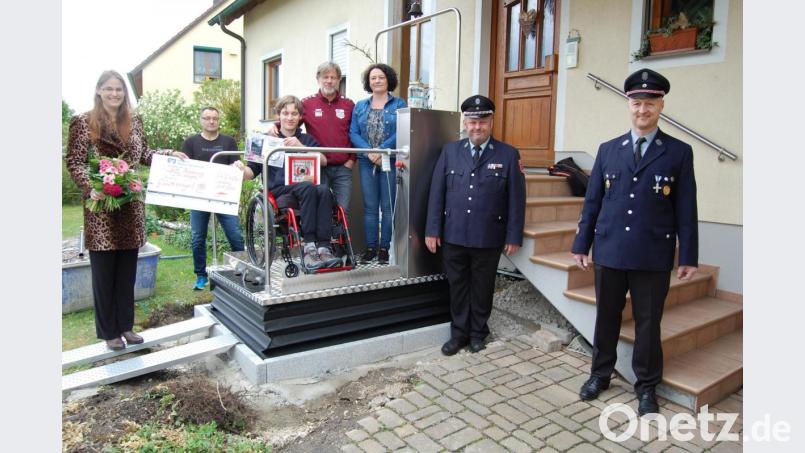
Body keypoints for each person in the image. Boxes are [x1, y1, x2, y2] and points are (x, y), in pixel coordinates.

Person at [571, 68, 698, 416]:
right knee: (607, 318)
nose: (643, 110)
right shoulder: (609, 150)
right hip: (610, 249)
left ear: (661, 105)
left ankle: (646, 388)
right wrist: (582, 244)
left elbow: (686, 208)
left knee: (647, 323)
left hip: (652, 254)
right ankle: (600, 375)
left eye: (650, 103)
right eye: (637, 103)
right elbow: (593, 201)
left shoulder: (678, 152)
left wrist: (688, 255)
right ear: (629, 104)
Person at [66, 70, 188, 351]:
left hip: (130, 204)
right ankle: (109, 331)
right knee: (104, 273)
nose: (114, 94)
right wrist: (91, 185)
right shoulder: (83, 122)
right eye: (108, 89)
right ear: (99, 91)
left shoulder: (135, 122)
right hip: (101, 208)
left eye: (119, 89)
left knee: (126, 273)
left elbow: (143, 154)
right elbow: (74, 161)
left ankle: (126, 326)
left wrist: (169, 155)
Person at [425, 95, 526, 355]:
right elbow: (437, 192)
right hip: (454, 234)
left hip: (488, 235)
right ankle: (458, 334)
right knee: (457, 286)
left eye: (482, 121)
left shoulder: (508, 154)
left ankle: (479, 332)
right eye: (471, 122)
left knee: (483, 287)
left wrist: (514, 235)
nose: (477, 127)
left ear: (491, 121)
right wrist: (432, 229)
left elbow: (516, 198)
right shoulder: (450, 151)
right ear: (465, 123)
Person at [243, 95, 341, 271]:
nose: (289, 117)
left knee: (325, 190)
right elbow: (251, 172)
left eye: (294, 113)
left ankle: (324, 247)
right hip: (279, 190)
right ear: (278, 116)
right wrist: (240, 170)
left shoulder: (307, 139)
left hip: (305, 187)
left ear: (300, 117)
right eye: (285, 113)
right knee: (309, 187)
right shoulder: (266, 139)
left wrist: (301, 147)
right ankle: (309, 246)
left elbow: (324, 161)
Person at [265, 62, 355, 212]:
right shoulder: (307, 103)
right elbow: (292, 119)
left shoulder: (348, 104)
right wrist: (276, 125)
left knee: (341, 211)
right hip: (316, 166)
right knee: (320, 208)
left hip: (342, 168)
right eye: (325, 77)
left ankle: (338, 236)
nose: (329, 81)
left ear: (339, 80)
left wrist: (352, 159)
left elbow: (355, 132)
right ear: (318, 79)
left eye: (333, 77)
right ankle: (322, 235)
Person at [181, 106, 248, 290]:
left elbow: (235, 167)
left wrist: (238, 165)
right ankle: (201, 276)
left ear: (219, 121)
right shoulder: (190, 143)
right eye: (207, 118)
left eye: (215, 118)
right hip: (199, 197)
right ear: (201, 120)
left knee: (234, 235)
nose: (211, 121)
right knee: (197, 237)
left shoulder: (228, 142)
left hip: (223, 196)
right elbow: (186, 170)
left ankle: (242, 270)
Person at [349, 63, 407, 264]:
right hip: (367, 161)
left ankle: (385, 248)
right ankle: (371, 247)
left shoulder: (399, 104)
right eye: (373, 78)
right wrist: (369, 151)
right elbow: (353, 133)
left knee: (388, 206)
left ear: (388, 79)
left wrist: (381, 150)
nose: (377, 81)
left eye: (381, 77)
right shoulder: (360, 106)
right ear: (368, 82)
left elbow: (402, 130)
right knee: (370, 207)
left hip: (389, 159)